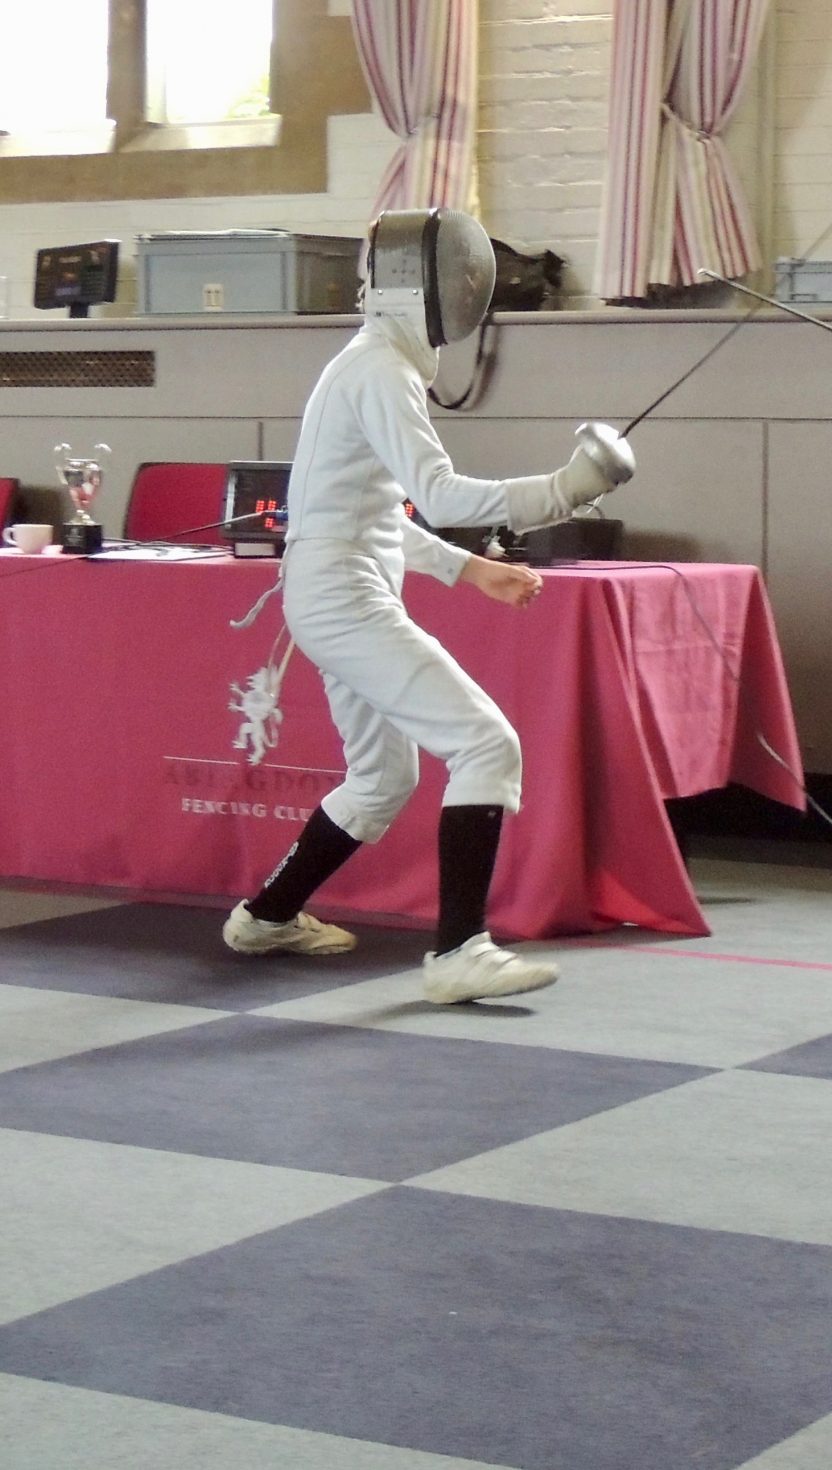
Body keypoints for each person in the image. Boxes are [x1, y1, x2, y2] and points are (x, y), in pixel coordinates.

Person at [222, 206, 636, 1004]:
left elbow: (370, 513)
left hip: (340, 587)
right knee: (487, 745)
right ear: (429, 288)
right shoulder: (377, 368)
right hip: (343, 597)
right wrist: (565, 489)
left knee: (379, 780)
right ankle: (459, 952)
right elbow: (438, 493)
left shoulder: (373, 363)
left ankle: (266, 916)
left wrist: (465, 571)